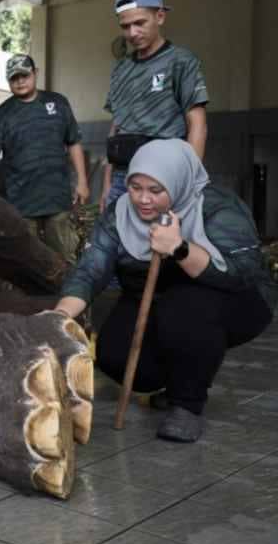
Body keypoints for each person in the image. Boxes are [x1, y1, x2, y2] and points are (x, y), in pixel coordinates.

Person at [55, 140, 276, 442]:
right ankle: (179, 377)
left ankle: (187, 404)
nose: (143, 199)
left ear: (177, 182)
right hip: (153, 297)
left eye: (155, 191)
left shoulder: (218, 207)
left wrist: (180, 248)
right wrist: (60, 315)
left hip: (231, 299)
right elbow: (91, 270)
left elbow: (242, 276)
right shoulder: (119, 215)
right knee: (112, 353)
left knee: (183, 309)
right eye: (135, 187)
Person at [101, 0, 209, 213]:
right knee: (115, 244)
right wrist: (107, 185)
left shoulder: (181, 61)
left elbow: (197, 124)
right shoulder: (121, 69)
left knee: (158, 245)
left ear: (160, 16)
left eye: (140, 23)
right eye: (125, 26)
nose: (132, 33)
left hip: (162, 177)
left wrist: (189, 182)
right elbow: (116, 126)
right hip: (122, 178)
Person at [0, 54, 89, 263]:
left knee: (65, 259)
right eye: (14, 78)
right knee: (28, 263)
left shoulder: (58, 103)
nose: (20, 81)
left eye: (24, 75)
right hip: (21, 204)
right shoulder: (2, 114)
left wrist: (82, 181)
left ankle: (67, 295)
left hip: (57, 199)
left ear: (35, 73)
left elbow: (73, 142)